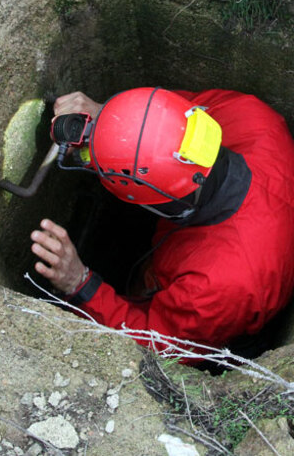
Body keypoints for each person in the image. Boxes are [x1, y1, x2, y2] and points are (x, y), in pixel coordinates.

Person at [31, 87, 294, 362]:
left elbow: (159, 343)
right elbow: (164, 118)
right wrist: (107, 118)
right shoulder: (253, 118)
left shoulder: (215, 286)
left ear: (162, 205)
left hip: (217, 323)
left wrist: (79, 285)